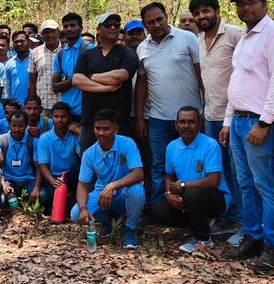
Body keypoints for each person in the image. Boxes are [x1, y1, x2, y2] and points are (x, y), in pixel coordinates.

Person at [219, 0, 274, 272]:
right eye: (240, 4)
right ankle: (253, 236)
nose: (245, 8)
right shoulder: (246, 38)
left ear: (264, 4)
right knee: (246, 184)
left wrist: (265, 122)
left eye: (251, 3)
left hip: (259, 122)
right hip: (238, 120)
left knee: (268, 184)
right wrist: (227, 121)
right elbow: (237, 83)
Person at [134, 2, 203, 205]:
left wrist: (205, 109)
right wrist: (139, 118)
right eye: (151, 22)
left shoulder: (188, 38)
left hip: (191, 117)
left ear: (167, 16)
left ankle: (193, 207)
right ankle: (159, 208)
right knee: (159, 165)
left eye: (159, 19)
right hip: (158, 118)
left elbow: (202, 75)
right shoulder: (142, 49)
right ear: (145, 25)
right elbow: (142, 84)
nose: (157, 25)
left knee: (193, 163)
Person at [190, 0, 244, 244]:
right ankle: (229, 216)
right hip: (210, 114)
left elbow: (244, 75)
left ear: (217, 11)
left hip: (234, 116)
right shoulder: (198, 41)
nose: (202, 16)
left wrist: (229, 119)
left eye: (206, 11)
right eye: (198, 13)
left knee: (239, 171)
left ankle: (246, 222)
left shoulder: (235, 35)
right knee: (220, 171)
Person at [148, 107, 230, 253]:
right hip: (186, 198)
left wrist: (183, 185)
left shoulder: (210, 145)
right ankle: (198, 222)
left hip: (215, 198)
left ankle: (203, 239)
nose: (186, 126)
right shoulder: (172, 146)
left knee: (192, 193)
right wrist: (168, 194)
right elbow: (169, 175)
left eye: (191, 122)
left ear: (200, 124)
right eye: (182, 122)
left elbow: (214, 181)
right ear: (176, 125)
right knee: (156, 211)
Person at [71, 109, 145, 249]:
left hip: (123, 193)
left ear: (115, 129)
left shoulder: (127, 143)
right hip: (102, 194)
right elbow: (82, 185)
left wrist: (112, 186)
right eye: (97, 128)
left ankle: (130, 229)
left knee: (137, 191)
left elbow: (138, 173)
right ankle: (107, 222)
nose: (101, 133)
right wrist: (82, 209)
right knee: (75, 214)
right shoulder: (89, 153)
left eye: (106, 129)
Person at [72, 13, 139, 150]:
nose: (113, 27)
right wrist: (106, 88)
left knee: (119, 164)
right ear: (98, 29)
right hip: (90, 121)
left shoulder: (128, 53)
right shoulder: (87, 55)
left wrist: (91, 77)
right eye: (108, 25)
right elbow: (77, 80)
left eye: (117, 25)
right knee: (88, 161)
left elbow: (119, 76)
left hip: (118, 122)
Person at [35, 102, 81, 213]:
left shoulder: (74, 136)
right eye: (56, 116)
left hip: (71, 176)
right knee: (43, 197)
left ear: (69, 118)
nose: (59, 120)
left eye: (63, 116)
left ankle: (71, 196)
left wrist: (79, 133)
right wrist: (53, 181)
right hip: (53, 177)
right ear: (52, 117)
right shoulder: (44, 138)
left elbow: (83, 157)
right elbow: (43, 165)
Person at [52, 12, 88, 124]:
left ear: (81, 28)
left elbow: (94, 79)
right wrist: (76, 79)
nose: (69, 29)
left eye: (73, 25)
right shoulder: (60, 54)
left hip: (87, 111)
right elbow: (55, 87)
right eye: (66, 26)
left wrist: (67, 81)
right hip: (66, 113)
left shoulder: (90, 50)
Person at [0, 111, 40, 209]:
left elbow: (39, 167)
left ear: (26, 125)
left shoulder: (33, 141)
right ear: (9, 125)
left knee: (42, 196)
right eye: (13, 125)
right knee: (0, 202)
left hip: (28, 180)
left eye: (21, 126)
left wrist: (37, 188)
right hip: (9, 180)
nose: (17, 129)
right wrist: (3, 184)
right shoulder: (2, 141)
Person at [27, 19, 62, 109]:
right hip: (43, 104)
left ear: (59, 32)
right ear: (42, 35)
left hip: (63, 103)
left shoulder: (66, 50)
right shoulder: (35, 52)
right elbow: (32, 81)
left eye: (53, 31)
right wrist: (32, 103)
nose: (50, 35)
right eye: (46, 32)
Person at [3, 30, 32, 99]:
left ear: (28, 42)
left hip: (34, 106)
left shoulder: (36, 59)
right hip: (16, 106)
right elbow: (7, 88)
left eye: (22, 41)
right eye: (16, 42)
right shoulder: (9, 63)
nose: (19, 44)